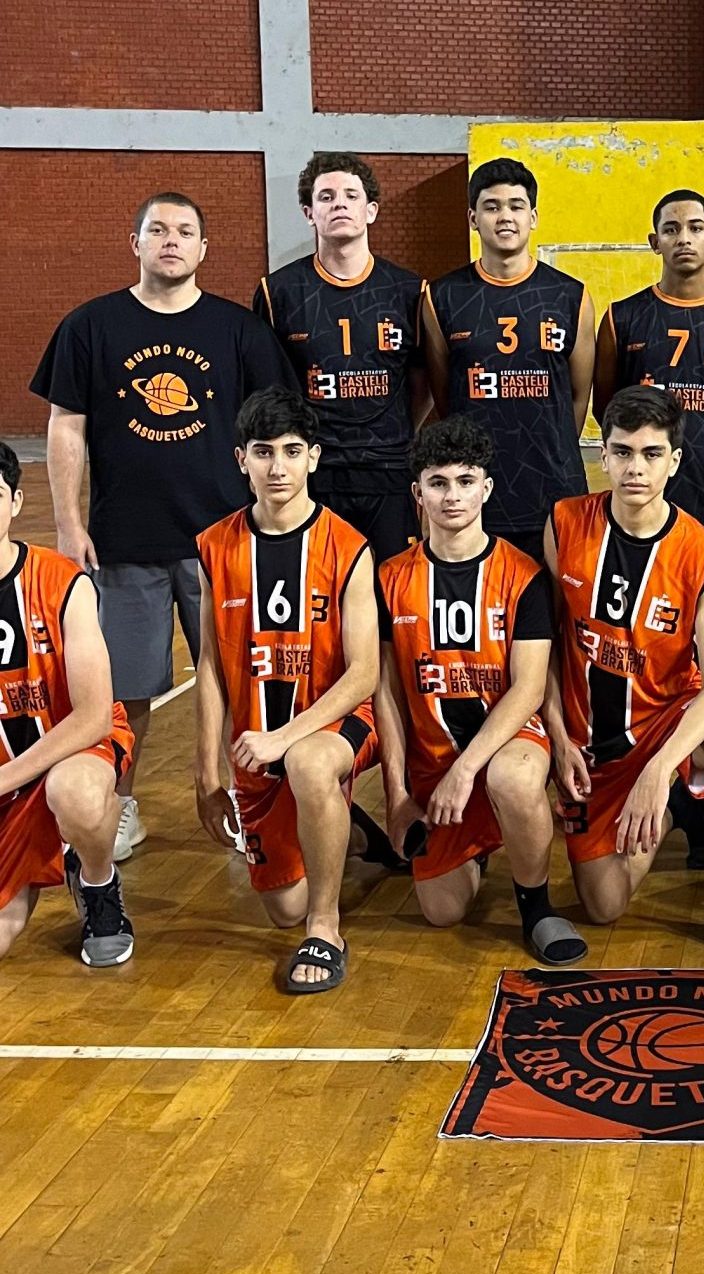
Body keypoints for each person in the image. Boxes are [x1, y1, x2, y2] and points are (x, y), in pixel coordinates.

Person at [32, 192, 295, 863]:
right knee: (126, 692)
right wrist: (67, 522)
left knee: (241, 681)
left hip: (226, 542)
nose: (171, 241)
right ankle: (118, 806)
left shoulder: (240, 331)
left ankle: (249, 802)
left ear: (204, 248)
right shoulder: (91, 326)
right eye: (158, 230)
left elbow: (275, 430)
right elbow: (66, 428)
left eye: (184, 231)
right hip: (125, 541)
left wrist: (276, 523)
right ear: (136, 242)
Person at [543, 385, 704, 965]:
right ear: (603, 455)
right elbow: (542, 648)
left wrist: (658, 767)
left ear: (674, 461)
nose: (636, 468)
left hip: (671, 720)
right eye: (623, 452)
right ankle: (684, 805)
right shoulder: (564, 524)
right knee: (604, 906)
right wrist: (556, 736)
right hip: (593, 741)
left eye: (651, 454)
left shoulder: (701, 552)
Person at [374, 416, 586, 963]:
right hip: (433, 763)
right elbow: (387, 695)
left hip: (507, 745)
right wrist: (396, 794)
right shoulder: (389, 579)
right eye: (438, 483)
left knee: (511, 777)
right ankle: (479, 840)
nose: (452, 497)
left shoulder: (524, 574)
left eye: (466, 481)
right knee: (442, 912)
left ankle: (536, 907)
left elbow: (529, 688)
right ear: (417, 493)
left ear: (486, 488)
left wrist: (465, 771)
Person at [193, 387, 379, 995]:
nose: (278, 467)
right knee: (282, 907)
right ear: (241, 459)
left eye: (293, 451)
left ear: (314, 458)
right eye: (264, 452)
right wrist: (205, 772)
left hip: (337, 722)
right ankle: (348, 831)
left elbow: (364, 674)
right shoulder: (214, 547)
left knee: (308, 763)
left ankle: (327, 929)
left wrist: (284, 738)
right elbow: (210, 663)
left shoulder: (348, 546)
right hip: (255, 744)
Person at [593, 188, 704, 630]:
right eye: (671, 229)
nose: (684, 238)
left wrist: (702, 449)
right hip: (639, 500)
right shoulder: (621, 318)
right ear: (655, 242)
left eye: (695, 228)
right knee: (640, 626)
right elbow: (606, 407)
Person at [255, 152, 430, 563]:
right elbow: (273, 389)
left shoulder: (408, 290)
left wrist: (393, 426)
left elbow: (424, 382)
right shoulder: (278, 292)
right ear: (308, 213)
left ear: (371, 211)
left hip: (389, 471)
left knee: (390, 591)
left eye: (351, 196)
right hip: (315, 473)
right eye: (327, 197)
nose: (339, 205)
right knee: (318, 591)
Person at [0, 445, 136, 968]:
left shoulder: (61, 581)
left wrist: (5, 778)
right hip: (7, 777)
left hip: (76, 749)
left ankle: (98, 885)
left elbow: (93, 715)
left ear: (16, 502)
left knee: (74, 792)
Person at [422, 157, 596, 564]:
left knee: (557, 600)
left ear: (532, 218)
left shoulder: (570, 295)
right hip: (473, 491)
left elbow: (577, 395)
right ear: (473, 218)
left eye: (516, 206)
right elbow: (445, 396)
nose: (505, 216)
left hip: (553, 485)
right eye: (492, 206)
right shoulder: (442, 296)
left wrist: (551, 445)